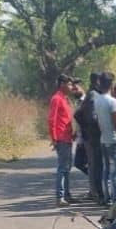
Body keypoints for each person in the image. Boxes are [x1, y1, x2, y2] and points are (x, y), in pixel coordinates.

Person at [92, 73, 116, 202]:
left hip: (103, 140)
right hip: (113, 140)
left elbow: (99, 121)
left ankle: (106, 198)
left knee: (106, 171)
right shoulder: (113, 102)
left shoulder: (97, 100)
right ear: (111, 85)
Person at [75, 72, 105, 203]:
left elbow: (78, 115)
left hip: (90, 137)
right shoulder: (93, 95)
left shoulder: (91, 94)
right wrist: (92, 129)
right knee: (96, 166)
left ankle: (95, 192)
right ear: (97, 81)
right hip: (94, 138)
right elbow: (90, 117)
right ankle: (97, 194)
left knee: (94, 165)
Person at [48, 75, 77, 206]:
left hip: (68, 137)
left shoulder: (65, 99)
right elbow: (51, 120)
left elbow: (67, 118)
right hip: (61, 138)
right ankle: (59, 197)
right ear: (62, 84)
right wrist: (54, 138)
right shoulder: (56, 99)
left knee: (67, 168)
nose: (71, 87)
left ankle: (66, 194)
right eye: (69, 84)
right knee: (62, 168)